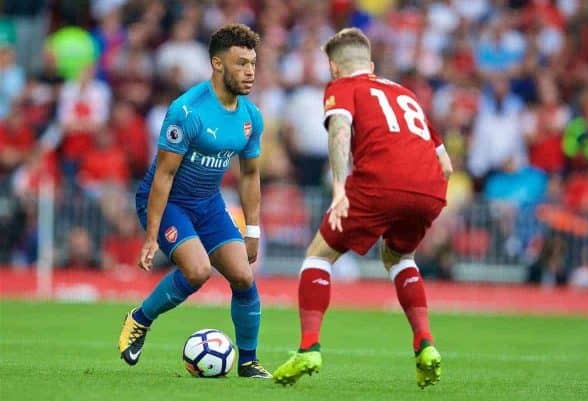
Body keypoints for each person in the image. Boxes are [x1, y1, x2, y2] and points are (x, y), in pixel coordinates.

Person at [273, 28, 453, 388]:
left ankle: (309, 347)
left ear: (334, 68)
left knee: (317, 256)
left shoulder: (342, 88)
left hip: (379, 183)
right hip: (430, 187)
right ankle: (425, 344)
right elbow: (446, 164)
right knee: (400, 258)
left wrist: (340, 187)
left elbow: (339, 130)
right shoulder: (406, 94)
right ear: (370, 64)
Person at [117, 24, 271, 379]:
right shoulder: (187, 111)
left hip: (208, 204)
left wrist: (254, 230)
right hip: (170, 201)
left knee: (243, 278)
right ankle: (139, 319)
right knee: (198, 270)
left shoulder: (251, 117)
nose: (249, 72)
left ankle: (248, 363)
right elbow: (164, 176)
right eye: (240, 63)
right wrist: (151, 235)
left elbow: (249, 175)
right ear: (217, 64)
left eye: (252, 63)